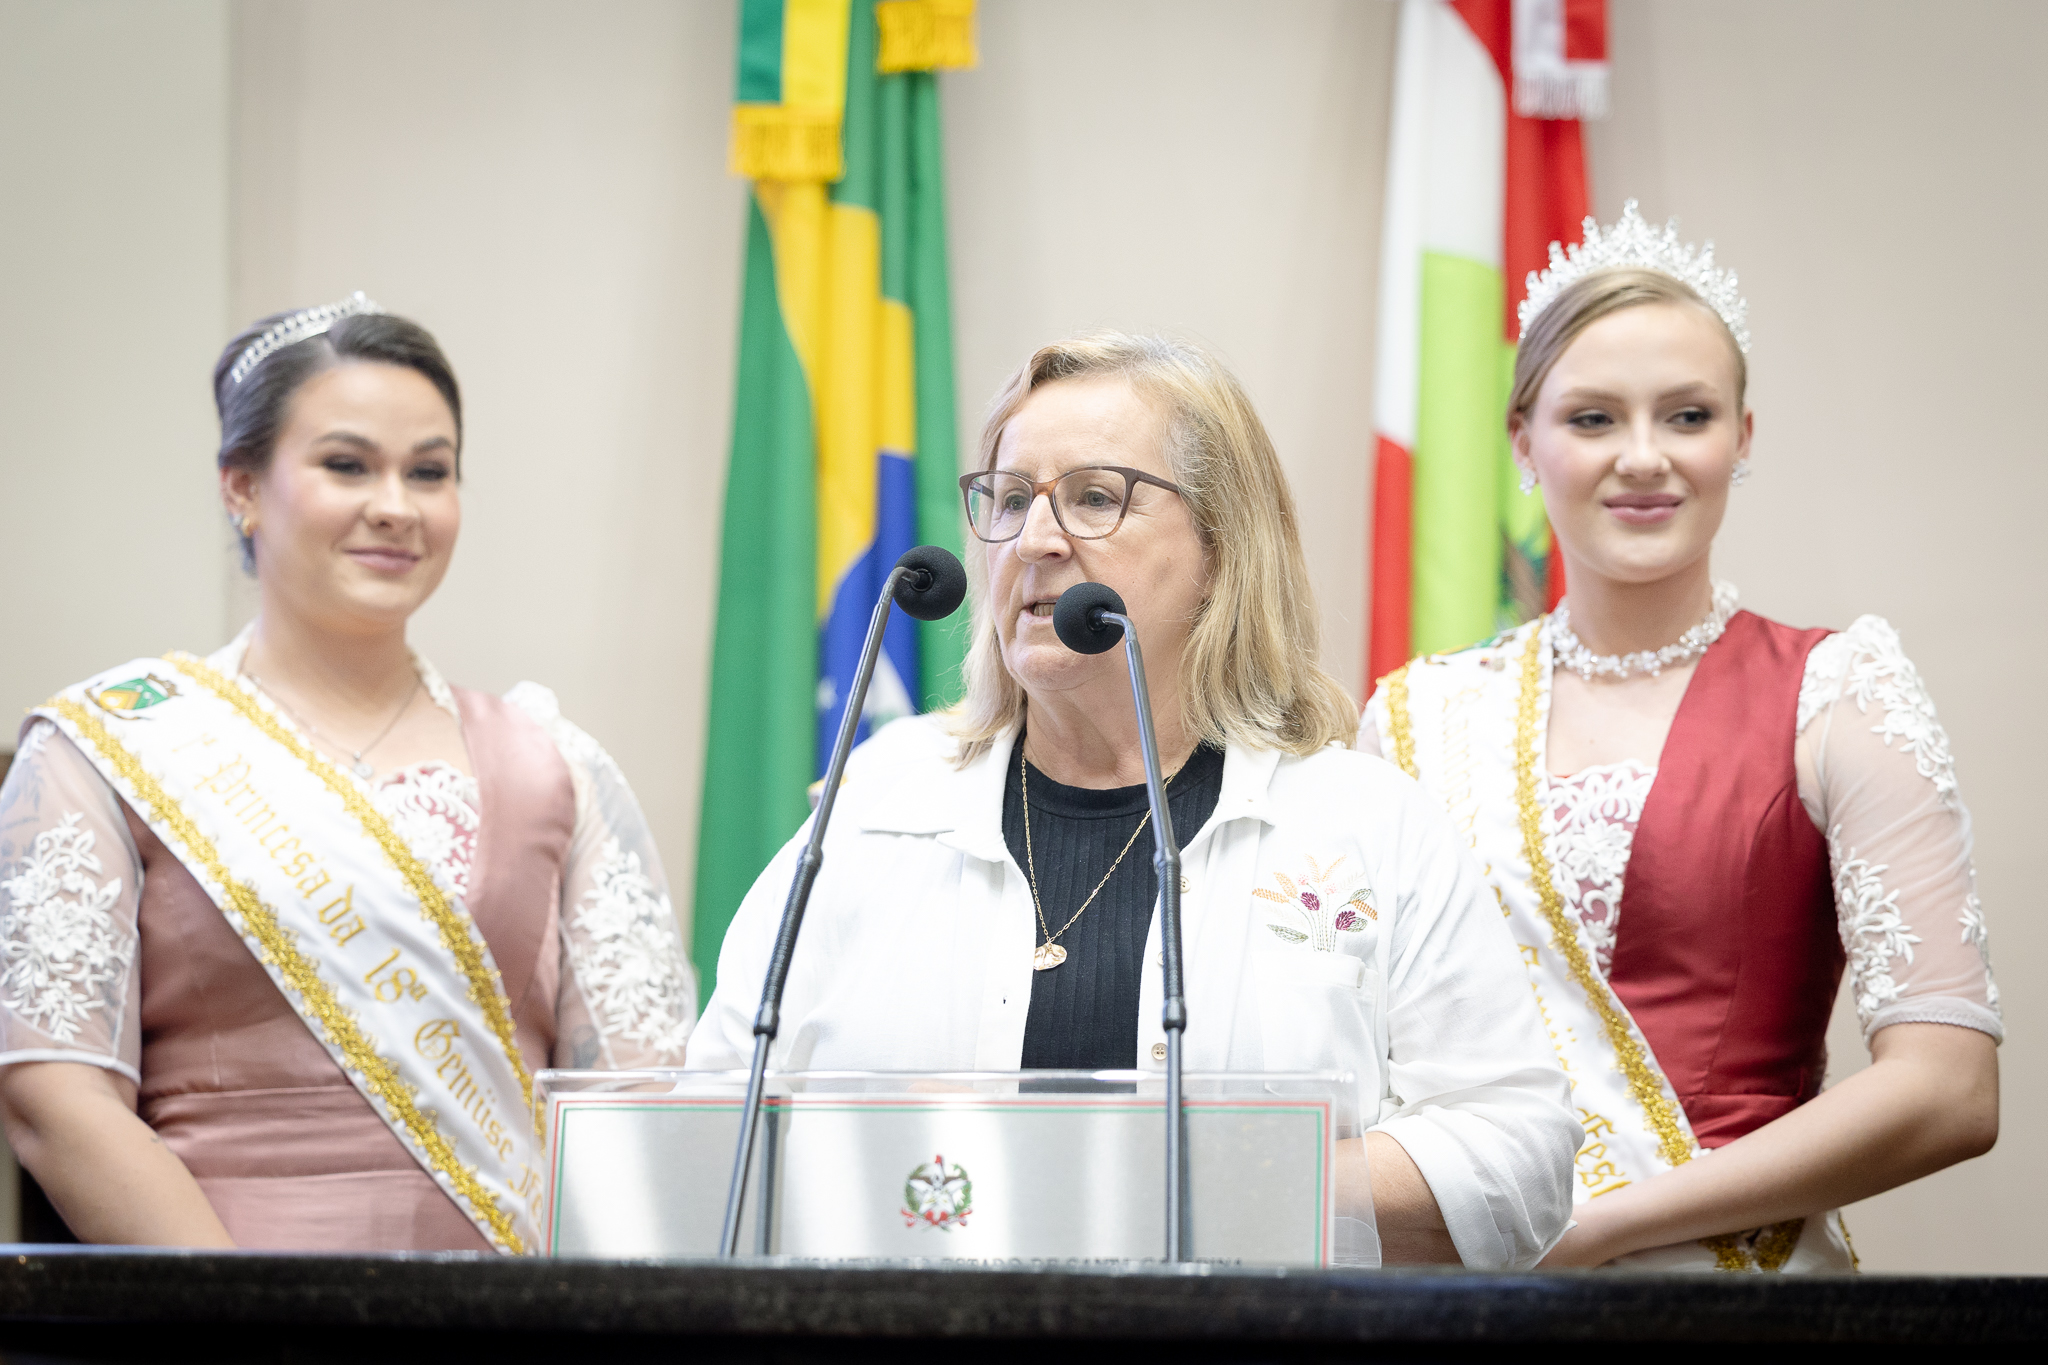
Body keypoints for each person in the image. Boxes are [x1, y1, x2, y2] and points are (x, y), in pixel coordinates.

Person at [691, 332, 1581, 1269]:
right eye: (1010, 499)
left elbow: (1519, 1155)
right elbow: (710, 1125)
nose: (1034, 540)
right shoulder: (878, 802)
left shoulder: (1362, 819)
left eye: (1094, 497)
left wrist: (1212, 1175)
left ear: (1222, 546)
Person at [1362, 204, 2000, 1271]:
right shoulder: (1416, 717)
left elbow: (1949, 1089)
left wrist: (1589, 1233)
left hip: (1730, 1293)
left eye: (1687, 415)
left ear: (1741, 437)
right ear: (1522, 441)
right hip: (1465, 1300)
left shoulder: (1840, 692)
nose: (1643, 457)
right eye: (1593, 418)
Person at [0, 293, 696, 1253]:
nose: (396, 506)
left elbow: (642, 1105)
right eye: (347, 464)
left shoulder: (554, 765)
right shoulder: (113, 748)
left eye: (430, 471)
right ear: (242, 486)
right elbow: (54, 1094)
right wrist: (250, 1317)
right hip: (212, 1312)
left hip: (514, 1314)